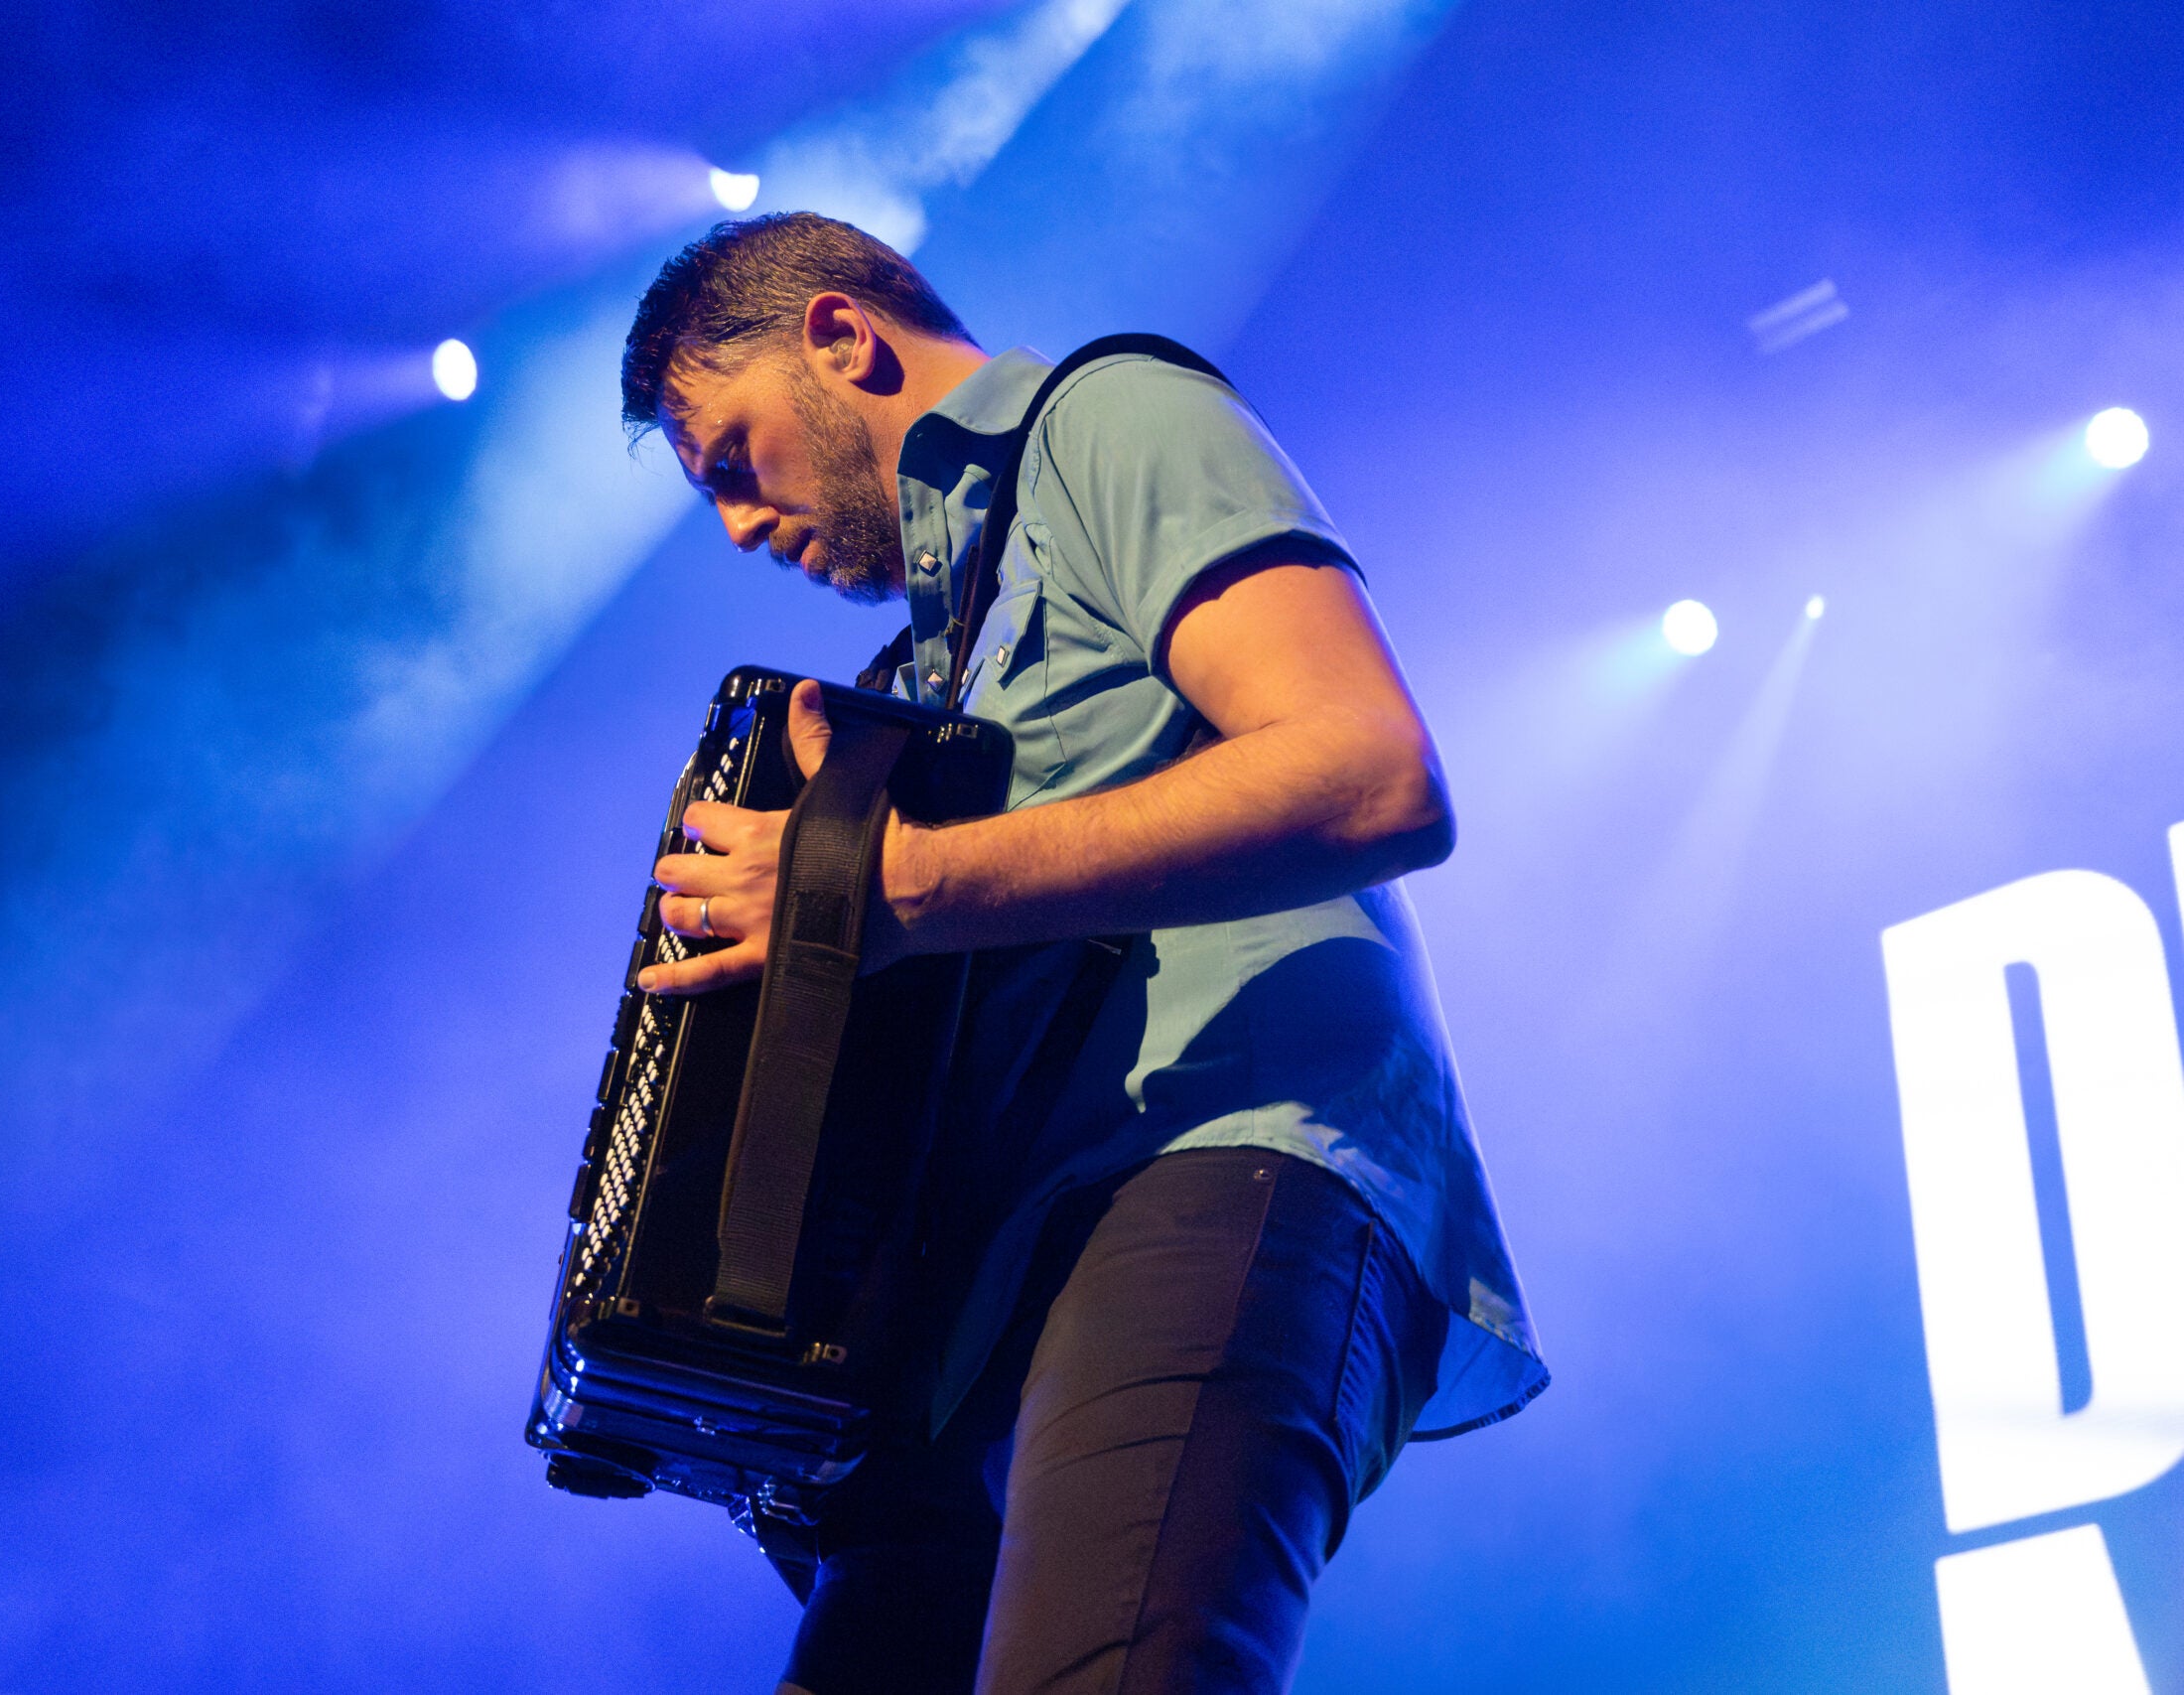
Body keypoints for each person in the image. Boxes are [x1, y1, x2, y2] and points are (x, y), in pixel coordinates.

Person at [619, 212, 1546, 1695]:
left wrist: (899, 887)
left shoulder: (1108, 415)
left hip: (1225, 1155)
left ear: (840, 338)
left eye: (733, 458)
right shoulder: (928, 664)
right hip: (1000, 1293)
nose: (736, 524)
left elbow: (1371, 770)